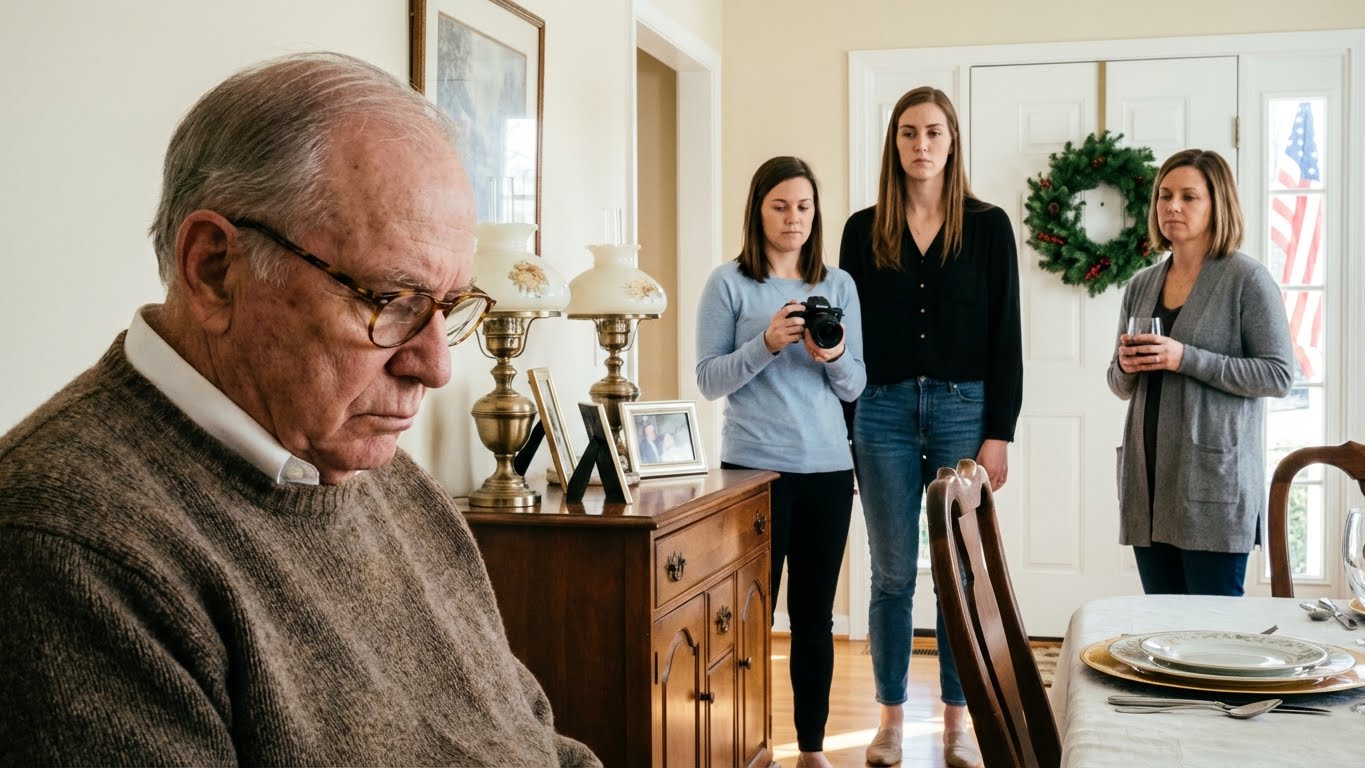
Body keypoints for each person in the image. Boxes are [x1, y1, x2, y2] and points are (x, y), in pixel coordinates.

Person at [0, 52, 600, 767]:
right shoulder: (67, 546)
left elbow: (527, 737)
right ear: (214, 269)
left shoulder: (384, 474)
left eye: (447, 308)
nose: (435, 366)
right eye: (389, 300)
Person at [839, 86, 1022, 768]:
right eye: (909, 132)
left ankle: (956, 722)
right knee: (890, 575)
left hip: (961, 411)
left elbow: (1006, 336)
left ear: (951, 143)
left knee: (957, 577)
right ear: (894, 142)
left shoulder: (988, 226)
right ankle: (889, 721)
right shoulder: (862, 230)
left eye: (933, 133)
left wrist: (997, 432)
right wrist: (844, 432)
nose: (921, 145)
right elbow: (846, 343)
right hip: (880, 414)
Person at [696, 156, 865, 768]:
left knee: (814, 618)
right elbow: (709, 380)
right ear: (757, 210)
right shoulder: (729, 284)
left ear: (815, 214)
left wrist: (835, 354)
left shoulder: (838, 285)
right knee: (749, 621)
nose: (793, 218)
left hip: (825, 471)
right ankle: (747, 744)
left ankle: (813, 749)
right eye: (780, 206)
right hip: (752, 473)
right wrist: (765, 343)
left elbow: (854, 387)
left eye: (803, 207)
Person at [1107, 148, 1292, 596]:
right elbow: (1117, 383)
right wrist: (1126, 367)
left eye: (1189, 197)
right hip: (1148, 485)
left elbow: (1278, 375)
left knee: (1212, 638)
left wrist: (1184, 357)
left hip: (1212, 486)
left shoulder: (1247, 280)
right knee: (1163, 638)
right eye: (1165, 196)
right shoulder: (1142, 284)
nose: (1172, 206)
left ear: (1217, 205)